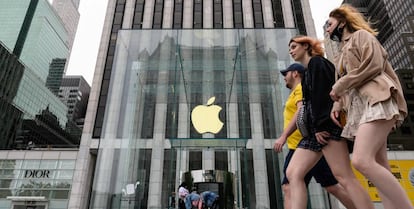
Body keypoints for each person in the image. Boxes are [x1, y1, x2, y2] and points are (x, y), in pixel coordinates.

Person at [327, 5, 411, 209]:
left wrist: (339, 85)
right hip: (362, 107)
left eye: (329, 24)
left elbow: (373, 65)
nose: (327, 29)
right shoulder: (340, 51)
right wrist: (337, 103)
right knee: (380, 166)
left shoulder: (361, 36)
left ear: (343, 21)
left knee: (361, 160)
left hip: (378, 98)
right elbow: (346, 85)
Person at [285, 35, 374, 209]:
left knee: (343, 176)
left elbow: (324, 97)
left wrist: (319, 126)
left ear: (306, 46)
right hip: (313, 132)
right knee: (293, 173)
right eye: (290, 48)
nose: (291, 51)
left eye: (294, 46)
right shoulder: (308, 71)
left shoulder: (318, 63)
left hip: (326, 127)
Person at [273, 63, 355, 209]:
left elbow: (301, 111)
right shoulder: (295, 92)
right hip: (301, 146)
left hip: (304, 146)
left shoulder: (300, 89)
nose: (284, 77)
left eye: (286, 73)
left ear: (295, 73)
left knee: (291, 186)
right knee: (329, 186)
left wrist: (283, 136)